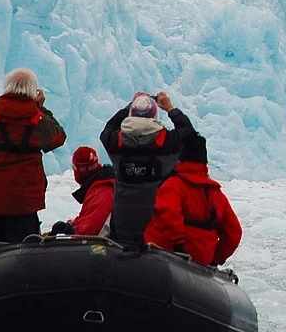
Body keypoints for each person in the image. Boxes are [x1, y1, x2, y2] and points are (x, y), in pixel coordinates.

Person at [0, 67, 66, 247]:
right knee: (22, 257)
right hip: (23, 205)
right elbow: (58, 138)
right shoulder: (38, 121)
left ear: (6, 87)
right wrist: (40, 108)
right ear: (33, 91)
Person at [100, 90, 194, 247]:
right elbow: (188, 134)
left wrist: (132, 104)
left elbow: (108, 129)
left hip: (124, 226)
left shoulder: (117, 143)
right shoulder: (168, 143)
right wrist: (170, 109)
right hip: (157, 228)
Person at [145, 131, 241, 266]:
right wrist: (215, 260)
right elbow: (234, 233)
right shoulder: (216, 194)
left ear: (181, 157)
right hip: (201, 263)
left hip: (162, 257)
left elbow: (169, 213)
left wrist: (179, 246)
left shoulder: (173, 185)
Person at [47, 146, 115, 237]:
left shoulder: (102, 192)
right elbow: (90, 218)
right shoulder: (99, 187)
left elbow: (91, 231)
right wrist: (72, 225)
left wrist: (72, 231)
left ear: (79, 171)